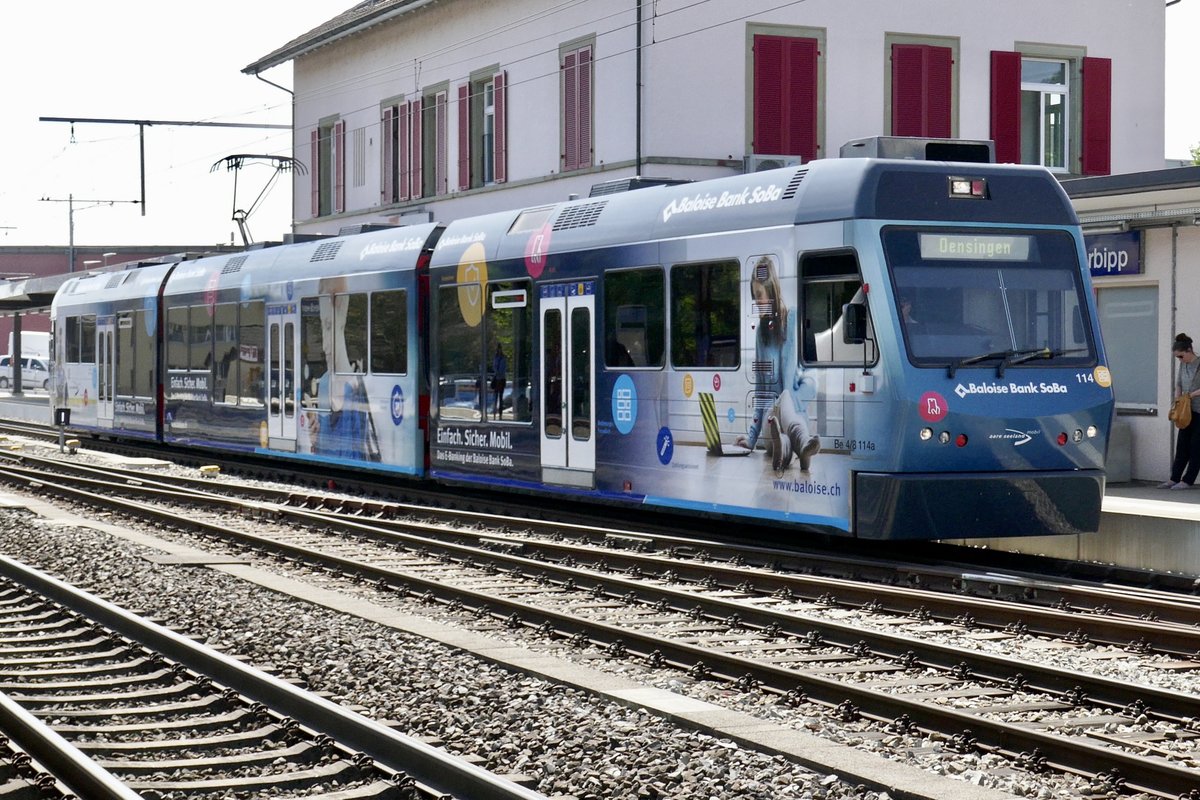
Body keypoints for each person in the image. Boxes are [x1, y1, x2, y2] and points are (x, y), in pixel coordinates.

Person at [735, 256, 820, 471]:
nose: (757, 302)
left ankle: (794, 448)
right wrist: (751, 439)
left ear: (771, 291)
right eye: (754, 297)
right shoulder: (760, 336)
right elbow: (760, 391)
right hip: (770, 421)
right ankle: (803, 447)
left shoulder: (792, 321)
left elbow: (811, 382)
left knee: (785, 400)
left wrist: (791, 400)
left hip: (793, 419)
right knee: (778, 412)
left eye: (760, 295)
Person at [1161, 333, 1200, 489]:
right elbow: (1178, 384)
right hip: (1186, 411)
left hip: (1198, 410)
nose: (1180, 360)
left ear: (1190, 350)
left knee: (1196, 446)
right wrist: (1178, 399)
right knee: (1182, 445)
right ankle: (1174, 477)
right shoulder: (1183, 366)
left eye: (1181, 356)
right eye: (1177, 357)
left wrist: (1190, 395)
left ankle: (1188, 480)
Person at [491, 342, 507, 419]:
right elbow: (495, 367)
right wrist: (498, 373)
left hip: (501, 379)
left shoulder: (501, 358)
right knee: (496, 397)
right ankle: (495, 413)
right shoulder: (498, 358)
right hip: (498, 379)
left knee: (500, 397)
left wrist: (498, 373)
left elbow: (500, 368)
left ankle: (499, 414)